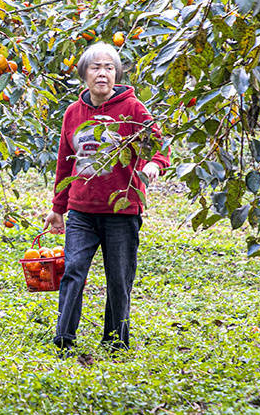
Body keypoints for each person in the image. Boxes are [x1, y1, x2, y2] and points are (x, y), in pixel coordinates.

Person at [43, 41, 169, 354]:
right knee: (73, 271)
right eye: (96, 67)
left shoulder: (133, 108)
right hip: (82, 211)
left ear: (117, 74)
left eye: (109, 67)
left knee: (119, 277)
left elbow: (160, 145)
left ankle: (116, 342)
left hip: (122, 210)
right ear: (84, 74)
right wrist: (58, 209)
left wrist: (154, 163)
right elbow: (64, 161)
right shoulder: (73, 113)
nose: (103, 73)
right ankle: (64, 339)